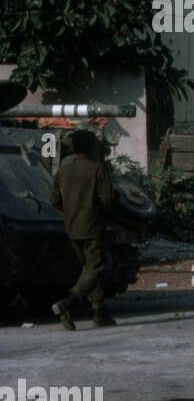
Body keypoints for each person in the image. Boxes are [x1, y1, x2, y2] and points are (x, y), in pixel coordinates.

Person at [50, 130, 118, 330]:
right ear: (90, 147)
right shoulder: (97, 169)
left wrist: (71, 211)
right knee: (97, 267)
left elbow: (54, 200)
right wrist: (117, 198)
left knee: (88, 270)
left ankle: (100, 312)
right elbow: (107, 200)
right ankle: (67, 303)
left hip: (72, 227)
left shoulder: (63, 170)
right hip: (92, 226)